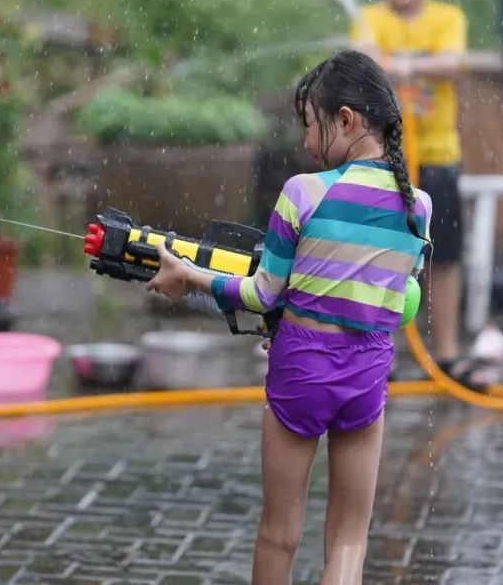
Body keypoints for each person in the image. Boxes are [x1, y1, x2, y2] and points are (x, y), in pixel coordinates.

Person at [145, 51, 432, 584]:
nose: (305, 143)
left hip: (301, 367)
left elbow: (261, 294)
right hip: (367, 372)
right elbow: (400, 290)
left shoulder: (304, 193)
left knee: (279, 534)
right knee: (349, 540)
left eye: (310, 125)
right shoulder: (419, 207)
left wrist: (189, 277)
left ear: (345, 119)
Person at [350, 0, 476, 385]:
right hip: (383, 159)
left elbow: (452, 63)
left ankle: (444, 353)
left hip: (437, 156)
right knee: (378, 253)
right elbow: (360, 59)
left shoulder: (446, 18)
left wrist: (401, 64)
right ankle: (371, 349)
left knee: (441, 257)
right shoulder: (369, 18)